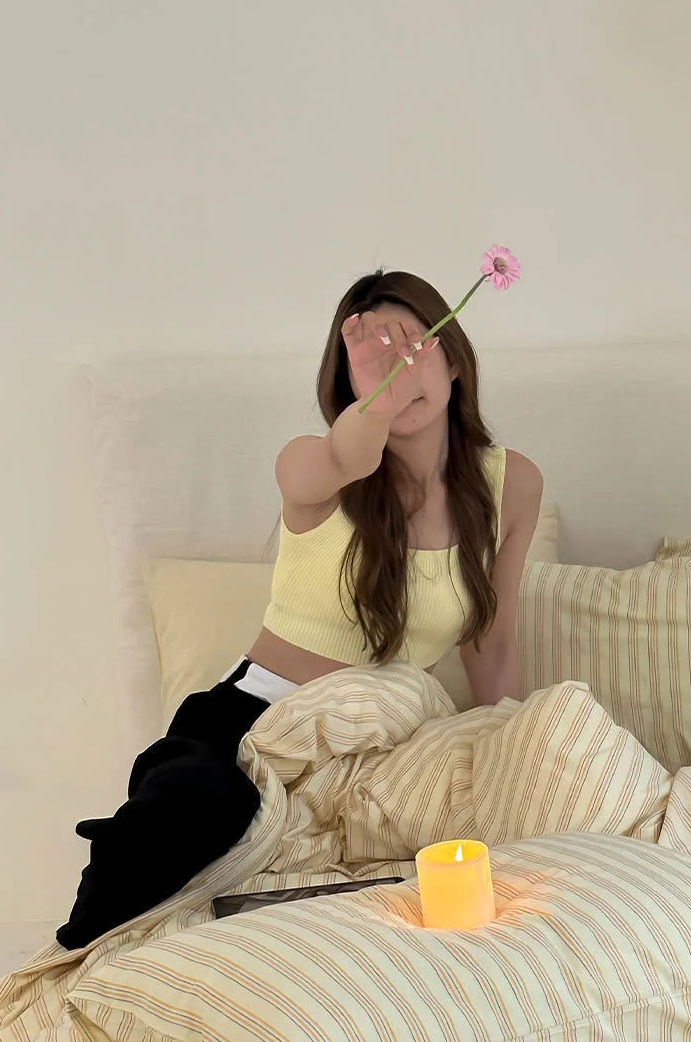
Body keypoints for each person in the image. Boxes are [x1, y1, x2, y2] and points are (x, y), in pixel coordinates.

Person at [57, 269, 543, 949]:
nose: (398, 367)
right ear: (347, 386)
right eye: (372, 360)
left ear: (455, 359)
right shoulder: (309, 468)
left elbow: (490, 643)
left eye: (413, 343)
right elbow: (348, 452)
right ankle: (80, 952)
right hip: (251, 723)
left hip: (386, 747)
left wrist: (507, 756)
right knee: (193, 804)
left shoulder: (511, 485)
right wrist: (379, 398)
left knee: (551, 770)